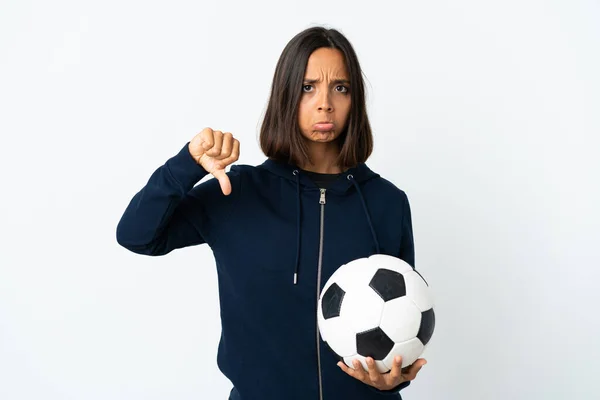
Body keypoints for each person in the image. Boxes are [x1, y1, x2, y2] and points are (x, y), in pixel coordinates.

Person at [116, 26, 427, 400]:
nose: (324, 102)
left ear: (355, 101)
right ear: (285, 96)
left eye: (340, 88)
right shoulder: (239, 193)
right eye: (307, 87)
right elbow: (137, 235)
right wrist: (187, 164)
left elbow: (405, 322)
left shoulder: (387, 202)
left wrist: (397, 378)